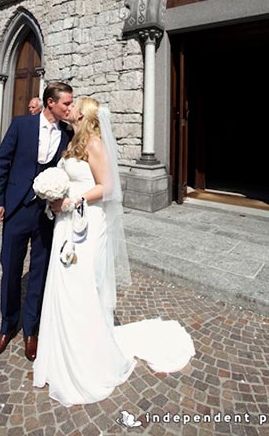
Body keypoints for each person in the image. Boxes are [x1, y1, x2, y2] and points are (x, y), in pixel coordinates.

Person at [33, 97, 195, 406]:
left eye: (73, 107)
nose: (68, 110)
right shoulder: (73, 142)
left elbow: (107, 186)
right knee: (64, 286)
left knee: (81, 286)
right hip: (66, 222)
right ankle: (62, 351)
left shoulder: (95, 143)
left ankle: (87, 357)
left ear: (84, 115)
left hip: (88, 222)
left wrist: (71, 201)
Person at [0, 81, 73, 361]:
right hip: (16, 209)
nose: (69, 108)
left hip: (46, 214)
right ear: (51, 103)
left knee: (40, 272)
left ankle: (31, 331)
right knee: (10, 269)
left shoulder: (67, 135)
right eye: (66, 104)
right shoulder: (21, 125)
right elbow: (2, 163)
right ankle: (7, 327)